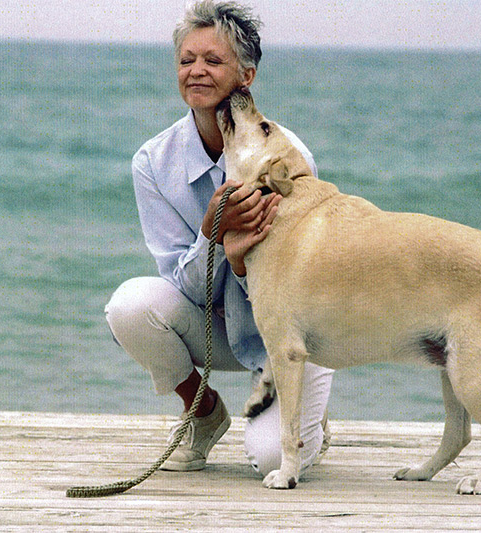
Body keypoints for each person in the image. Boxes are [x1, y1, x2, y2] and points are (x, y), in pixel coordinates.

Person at [105, 0, 334, 478]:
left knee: (272, 460)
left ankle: (309, 415)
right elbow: (183, 288)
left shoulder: (288, 158)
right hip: (216, 326)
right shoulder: (152, 162)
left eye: (213, 60)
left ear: (246, 76)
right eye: (186, 60)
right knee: (130, 305)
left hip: (288, 335)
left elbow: (303, 284)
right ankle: (204, 413)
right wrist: (213, 235)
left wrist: (244, 263)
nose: (196, 71)